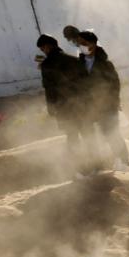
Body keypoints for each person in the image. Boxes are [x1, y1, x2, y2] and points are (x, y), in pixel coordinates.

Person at [77, 31, 129, 172]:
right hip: (88, 107)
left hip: (106, 106)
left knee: (112, 134)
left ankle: (123, 162)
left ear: (93, 44)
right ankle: (97, 166)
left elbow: (115, 84)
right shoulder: (78, 63)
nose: (81, 46)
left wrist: (113, 103)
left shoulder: (105, 64)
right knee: (90, 138)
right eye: (79, 43)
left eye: (84, 43)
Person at [36, 34, 88, 173]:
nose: (42, 51)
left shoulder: (47, 65)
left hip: (64, 106)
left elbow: (49, 88)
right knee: (87, 133)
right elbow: (85, 82)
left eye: (42, 48)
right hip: (82, 104)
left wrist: (51, 108)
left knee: (72, 136)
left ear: (48, 46)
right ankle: (95, 163)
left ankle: (79, 168)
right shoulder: (74, 60)